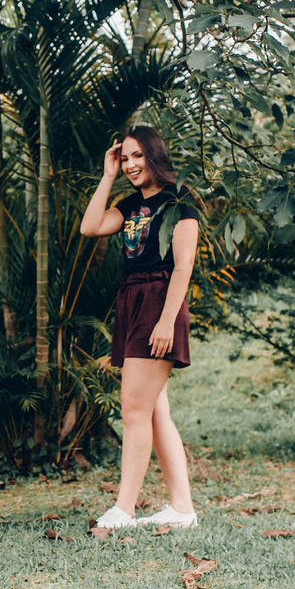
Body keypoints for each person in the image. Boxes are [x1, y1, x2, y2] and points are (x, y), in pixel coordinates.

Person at [79, 126, 200, 529]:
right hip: (131, 300)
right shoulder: (131, 205)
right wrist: (107, 175)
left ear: (154, 155)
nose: (131, 164)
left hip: (159, 300)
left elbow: (183, 265)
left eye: (136, 156)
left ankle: (124, 509)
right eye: (125, 158)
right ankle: (182, 509)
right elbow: (90, 226)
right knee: (154, 411)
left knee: (133, 408)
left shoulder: (179, 200)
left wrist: (167, 320)